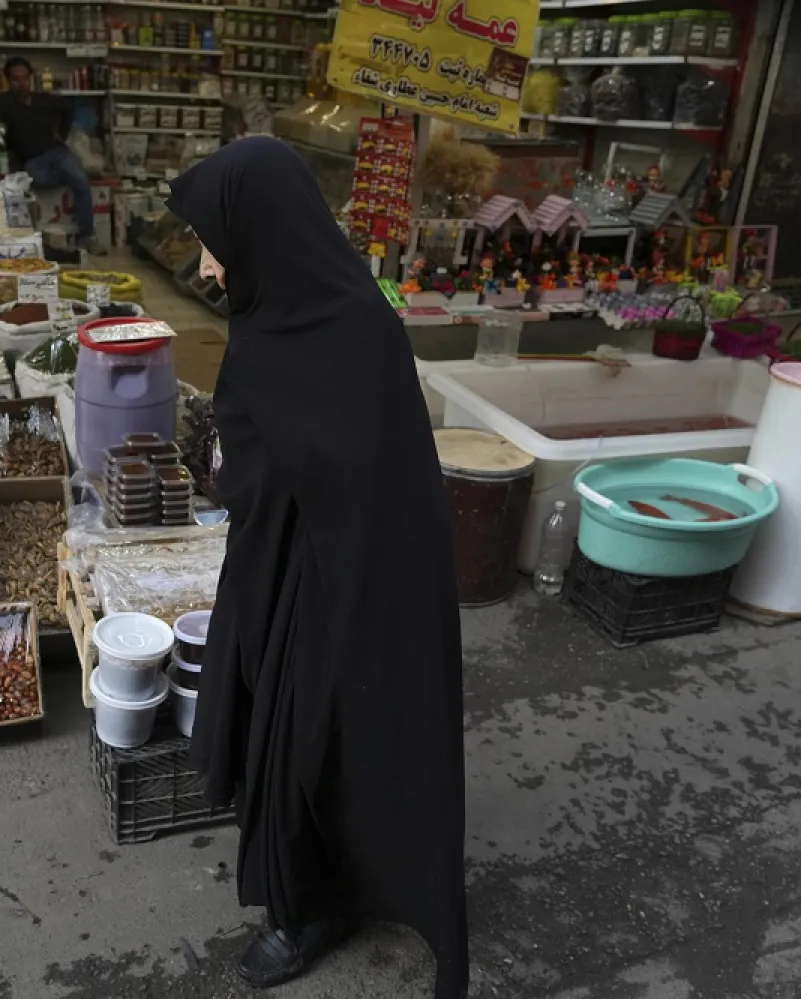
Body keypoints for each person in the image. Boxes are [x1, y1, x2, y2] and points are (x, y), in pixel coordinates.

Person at [165, 137, 468, 998]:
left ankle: (306, 906)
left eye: (214, 241)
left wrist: (225, 464)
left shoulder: (309, 335)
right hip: (327, 567)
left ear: (258, 232)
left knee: (302, 736)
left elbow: (272, 474)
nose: (208, 266)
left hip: (332, 583)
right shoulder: (330, 315)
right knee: (314, 728)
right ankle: (331, 880)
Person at [0, 57, 98, 251]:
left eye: (25, 78)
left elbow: (69, 109)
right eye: (16, 79)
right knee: (40, 180)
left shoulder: (45, 99)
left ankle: (88, 235)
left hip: (57, 151)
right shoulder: (3, 105)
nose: (22, 83)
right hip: (33, 160)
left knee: (81, 180)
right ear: (8, 80)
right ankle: (69, 177)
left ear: (31, 78)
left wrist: (62, 133)